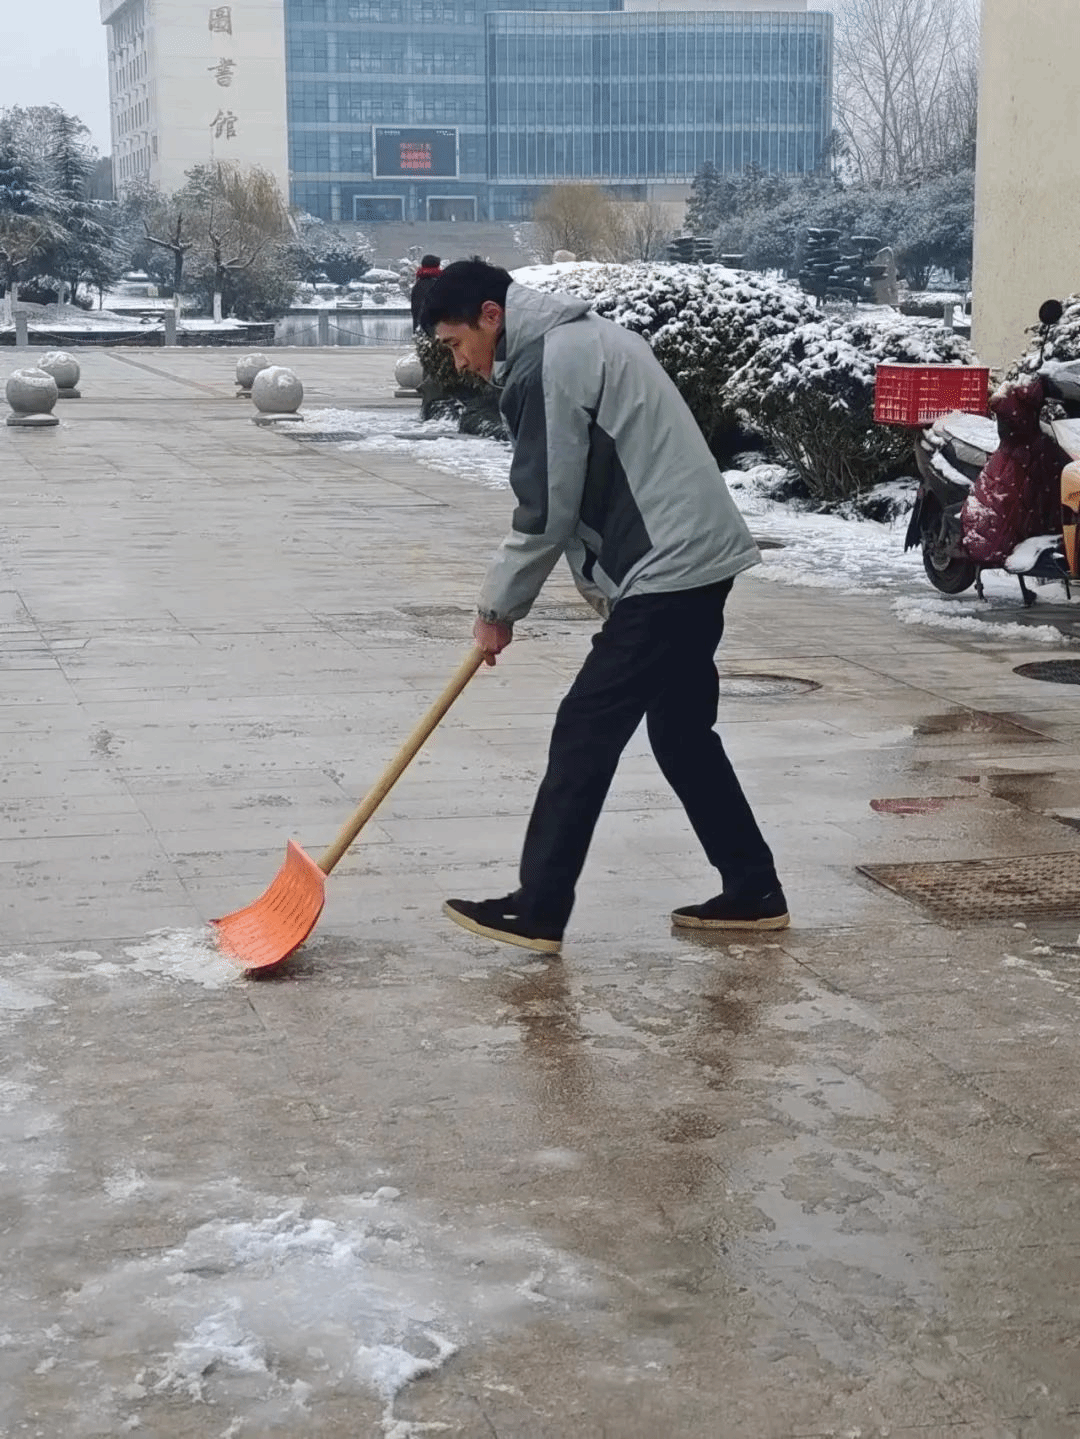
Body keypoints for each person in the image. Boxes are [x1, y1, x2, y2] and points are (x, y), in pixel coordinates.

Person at [420, 259, 787, 956]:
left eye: (455, 343)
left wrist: (498, 609)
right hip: (693, 558)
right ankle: (753, 888)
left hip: (670, 568)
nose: (459, 361)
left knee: (584, 729)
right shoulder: (579, 341)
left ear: (491, 316)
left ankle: (539, 907)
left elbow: (546, 507)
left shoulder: (553, 361)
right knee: (682, 734)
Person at [410, 254, 443, 331]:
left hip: (420, 329)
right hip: (438, 329)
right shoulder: (441, 283)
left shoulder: (418, 284)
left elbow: (415, 310)